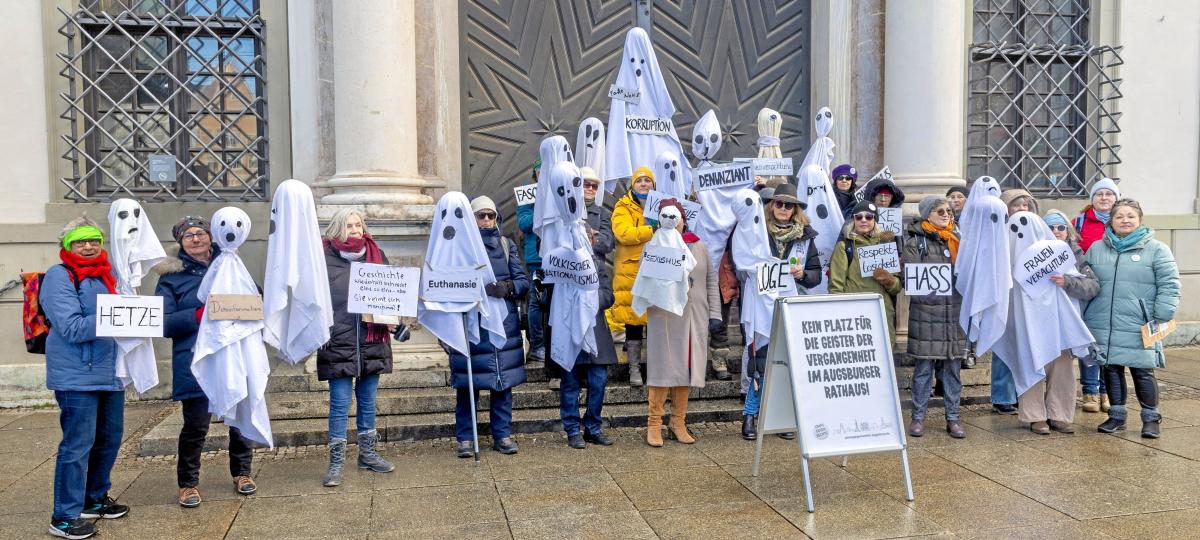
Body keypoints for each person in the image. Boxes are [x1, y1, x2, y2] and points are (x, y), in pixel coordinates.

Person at [155, 216, 256, 508]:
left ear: (211, 237)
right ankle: (188, 484)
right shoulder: (170, 277)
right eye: (189, 236)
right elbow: (162, 323)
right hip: (194, 357)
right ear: (181, 243)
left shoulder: (230, 265)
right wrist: (197, 316)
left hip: (231, 355)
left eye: (201, 233)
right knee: (196, 425)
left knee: (239, 420)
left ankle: (243, 473)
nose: (196, 239)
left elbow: (254, 298)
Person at [43, 216, 129, 539]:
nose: (89, 246)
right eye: (81, 241)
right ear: (67, 245)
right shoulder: (58, 276)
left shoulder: (109, 275)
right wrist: (117, 315)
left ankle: (94, 499)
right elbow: (72, 327)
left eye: (94, 240)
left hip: (110, 373)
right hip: (76, 376)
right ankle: (63, 516)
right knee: (77, 446)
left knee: (109, 439)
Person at [1084, 199, 1180, 438]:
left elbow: (1169, 284)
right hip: (1104, 321)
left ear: (1140, 220)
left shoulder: (1157, 249)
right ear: (1111, 221)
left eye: (1130, 216)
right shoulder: (1097, 248)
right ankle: (1116, 416)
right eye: (1119, 216)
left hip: (1140, 323)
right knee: (1111, 369)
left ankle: (1151, 418)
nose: (1125, 220)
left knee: (1143, 371)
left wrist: (1163, 315)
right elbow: (1086, 283)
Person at [316, 209, 396, 486]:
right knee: (339, 404)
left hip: (371, 341)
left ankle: (368, 454)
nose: (355, 230)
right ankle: (336, 462)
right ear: (338, 229)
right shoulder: (323, 259)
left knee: (368, 402)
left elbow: (390, 296)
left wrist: (396, 320)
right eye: (349, 225)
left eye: (358, 224)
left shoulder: (376, 254)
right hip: (338, 341)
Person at [641, 200, 720, 447]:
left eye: (678, 217)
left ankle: (678, 421)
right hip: (664, 316)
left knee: (686, 368)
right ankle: (654, 424)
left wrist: (715, 314)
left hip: (693, 316)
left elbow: (710, 283)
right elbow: (644, 281)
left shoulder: (700, 247)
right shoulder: (653, 247)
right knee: (663, 368)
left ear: (684, 220)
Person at [559, 186, 618, 449]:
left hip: (595, 329)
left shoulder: (598, 264)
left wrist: (590, 299)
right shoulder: (561, 264)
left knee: (598, 381)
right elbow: (552, 297)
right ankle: (572, 428)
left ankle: (592, 425)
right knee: (570, 383)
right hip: (570, 330)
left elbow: (609, 296)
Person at [904, 197, 968, 439]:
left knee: (953, 371)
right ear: (926, 214)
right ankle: (917, 417)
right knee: (923, 370)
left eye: (949, 211)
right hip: (926, 315)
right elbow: (911, 276)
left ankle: (953, 418)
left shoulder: (959, 239)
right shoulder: (915, 242)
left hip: (954, 314)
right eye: (940, 211)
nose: (946, 214)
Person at [1045, 208, 1106, 413]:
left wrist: (1068, 282)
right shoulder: (1031, 253)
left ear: (1068, 230)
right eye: (1050, 227)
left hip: (1066, 323)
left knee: (1062, 371)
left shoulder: (1077, 254)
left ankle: (1058, 413)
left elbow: (1093, 286)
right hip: (1040, 322)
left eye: (1060, 227)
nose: (1055, 231)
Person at [829, 201, 902, 344]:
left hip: (881, 312)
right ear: (853, 220)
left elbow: (897, 287)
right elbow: (835, 285)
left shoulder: (885, 246)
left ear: (874, 221)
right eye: (859, 217)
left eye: (869, 217)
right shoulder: (844, 246)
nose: (864, 220)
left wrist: (889, 280)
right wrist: (840, 313)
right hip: (854, 312)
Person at [612, 166, 657, 386]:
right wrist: (651, 230)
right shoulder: (622, 206)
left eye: (648, 181)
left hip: (657, 270)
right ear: (632, 185)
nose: (643, 184)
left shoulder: (660, 205)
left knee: (656, 320)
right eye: (639, 181)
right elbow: (624, 233)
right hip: (631, 271)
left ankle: (656, 368)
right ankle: (634, 369)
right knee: (634, 321)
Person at [764, 183, 822, 293]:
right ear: (772, 206)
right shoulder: (760, 231)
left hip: (793, 297)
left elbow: (816, 274)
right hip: (766, 298)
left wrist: (803, 275)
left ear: (794, 210)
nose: (783, 208)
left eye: (788, 205)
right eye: (779, 204)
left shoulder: (805, 234)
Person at [516, 158, 545, 364]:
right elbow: (524, 223)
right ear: (535, 174)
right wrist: (542, 208)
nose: (543, 174)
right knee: (536, 301)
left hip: (558, 256)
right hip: (536, 258)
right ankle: (538, 345)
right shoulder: (528, 196)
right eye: (539, 170)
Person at [1075, 178, 1120, 253]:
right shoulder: (1079, 221)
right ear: (1092, 199)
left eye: (1108, 194)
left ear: (1116, 198)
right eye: (1099, 194)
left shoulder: (1124, 220)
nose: (1104, 198)